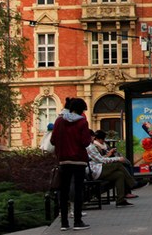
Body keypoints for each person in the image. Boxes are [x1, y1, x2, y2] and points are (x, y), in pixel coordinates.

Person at [51, 97, 93, 231]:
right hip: (79, 160)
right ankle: (77, 221)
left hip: (63, 160)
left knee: (63, 191)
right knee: (78, 190)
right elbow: (85, 142)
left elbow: (53, 140)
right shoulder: (82, 122)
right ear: (81, 110)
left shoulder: (59, 121)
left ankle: (64, 223)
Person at [87, 131, 144, 206]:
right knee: (118, 165)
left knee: (119, 175)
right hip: (95, 170)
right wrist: (117, 158)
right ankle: (132, 184)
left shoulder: (91, 146)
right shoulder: (90, 147)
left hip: (97, 169)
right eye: (92, 136)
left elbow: (99, 158)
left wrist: (110, 155)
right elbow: (101, 160)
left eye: (93, 136)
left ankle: (120, 200)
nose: (93, 138)